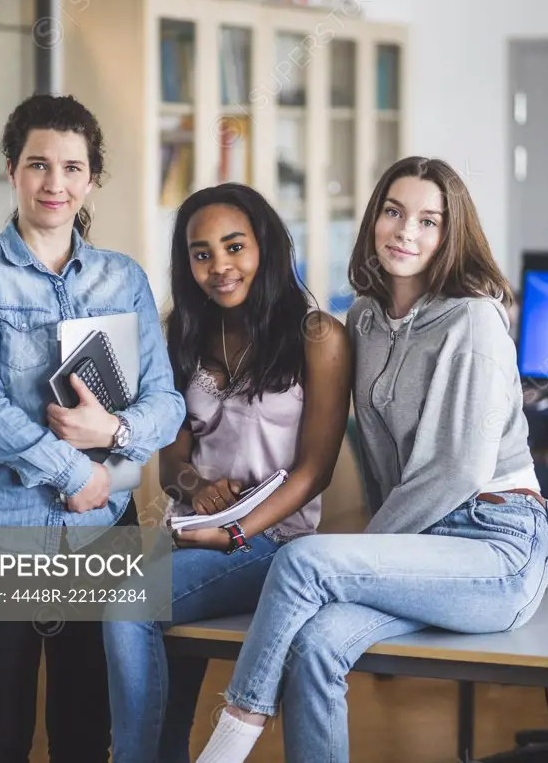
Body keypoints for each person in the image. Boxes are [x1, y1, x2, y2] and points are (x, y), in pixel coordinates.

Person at [196, 156, 548, 763]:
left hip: (496, 548)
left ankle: (230, 739)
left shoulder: (473, 319)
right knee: (315, 644)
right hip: (421, 547)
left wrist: (356, 555)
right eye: (393, 211)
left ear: (451, 235)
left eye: (428, 221)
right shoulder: (363, 317)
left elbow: (456, 472)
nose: (405, 231)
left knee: (308, 563)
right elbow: (379, 456)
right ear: (374, 219)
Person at [0, 93, 185, 763]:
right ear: (12, 169)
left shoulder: (122, 277)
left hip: (102, 535)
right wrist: (78, 473)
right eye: (39, 164)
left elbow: (167, 401)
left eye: (73, 167)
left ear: (91, 177)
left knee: (84, 729)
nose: (55, 183)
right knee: (0, 735)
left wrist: (117, 429)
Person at [93, 182, 349, 763]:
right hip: (189, 533)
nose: (219, 266)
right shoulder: (178, 333)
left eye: (234, 247)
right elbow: (171, 458)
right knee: (130, 614)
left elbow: (316, 471)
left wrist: (236, 531)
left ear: (266, 246)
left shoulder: (319, 337)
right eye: (201, 253)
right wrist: (197, 488)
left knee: (131, 606)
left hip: (274, 543)